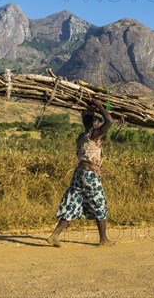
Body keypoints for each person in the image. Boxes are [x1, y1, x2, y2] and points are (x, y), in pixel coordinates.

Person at [47, 98, 116, 247]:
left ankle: (55, 235)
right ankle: (103, 239)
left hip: (79, 173)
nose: (98, 123)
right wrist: (99, 105)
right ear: (93, 123)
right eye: (96, 121)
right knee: (100, 204)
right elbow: (109, 121)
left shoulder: (81, 136)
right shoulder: (93, 134)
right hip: (90, 175)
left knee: (73, 202)